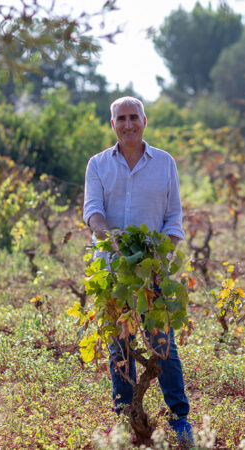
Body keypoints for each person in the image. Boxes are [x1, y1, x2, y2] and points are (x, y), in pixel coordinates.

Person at [83, 96, 193, 443]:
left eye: (134, 117)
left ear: (144, 120)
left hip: (152, 272)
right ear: (111, 124)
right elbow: (93, 211)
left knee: (163, 346)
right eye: (121, 119)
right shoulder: (98, 164)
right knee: (120, 348)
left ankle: (180, 419)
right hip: (112, 272)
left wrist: (161, 258)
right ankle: (124, 419)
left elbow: (174, 216)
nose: (128, 124)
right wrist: (108, 237)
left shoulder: (164, 163)